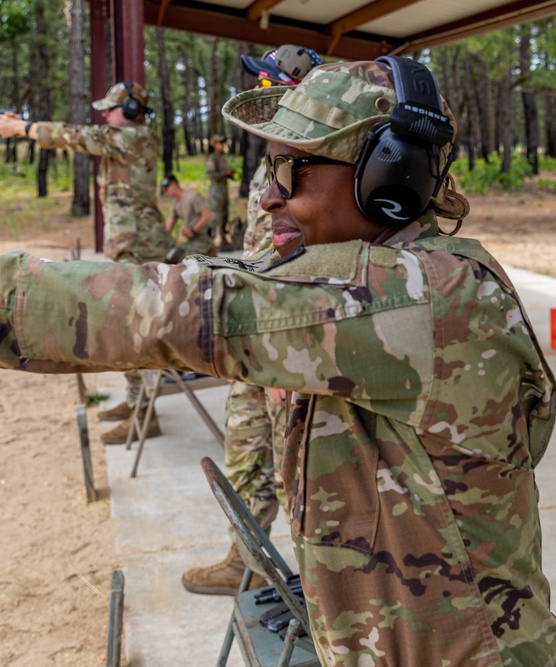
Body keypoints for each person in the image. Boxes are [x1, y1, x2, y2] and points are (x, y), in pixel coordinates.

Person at [0, 57, 556, 666]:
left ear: (391, 179)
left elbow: (183, 308)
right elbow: (210, 294)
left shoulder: (425, 296)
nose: (268, 196)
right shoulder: (372, 285)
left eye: (293, 168)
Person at [181, 45, 321, 597]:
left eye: (265, 82)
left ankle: (328, 597)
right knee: (244, 446)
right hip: (254, 323)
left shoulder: (319, 155)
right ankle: (244, 558)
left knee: (300, 472)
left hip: (290, 330)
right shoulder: (273, 152)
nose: (257, 91)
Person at [0, 82, 173, 445]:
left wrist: (23, 128)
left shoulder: (134, 136)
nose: (105, 114)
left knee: (133, 326)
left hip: (136, 243)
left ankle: (144, 412)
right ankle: (137, 401)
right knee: (127, 324)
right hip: (130, 242)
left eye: (112, 108)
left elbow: (78, 136)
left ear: (134, 111)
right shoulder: (123, 139)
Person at [160, 173, 215, 261]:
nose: (166, 193)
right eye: (164, 191)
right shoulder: (176, 204)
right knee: (171, 259)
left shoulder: (192, 197)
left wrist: (193, 230)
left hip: (202, 239)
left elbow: (207, 216)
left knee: (186, 262)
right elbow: (169, 225)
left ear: (174, 184)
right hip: (190, 241)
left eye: (166, 189)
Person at [206, 134, 235, 250]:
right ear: (214, 145)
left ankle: (223, 239)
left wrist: (229, 174)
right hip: (216, 190)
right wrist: (225, 174)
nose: (222, 146)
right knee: (215, 215)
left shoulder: (222, 157)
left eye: (223, 144)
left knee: (224, 214)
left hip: (223, 189)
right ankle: (209, 241)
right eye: (219, 143)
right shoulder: (212, 158)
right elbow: (211, 175)